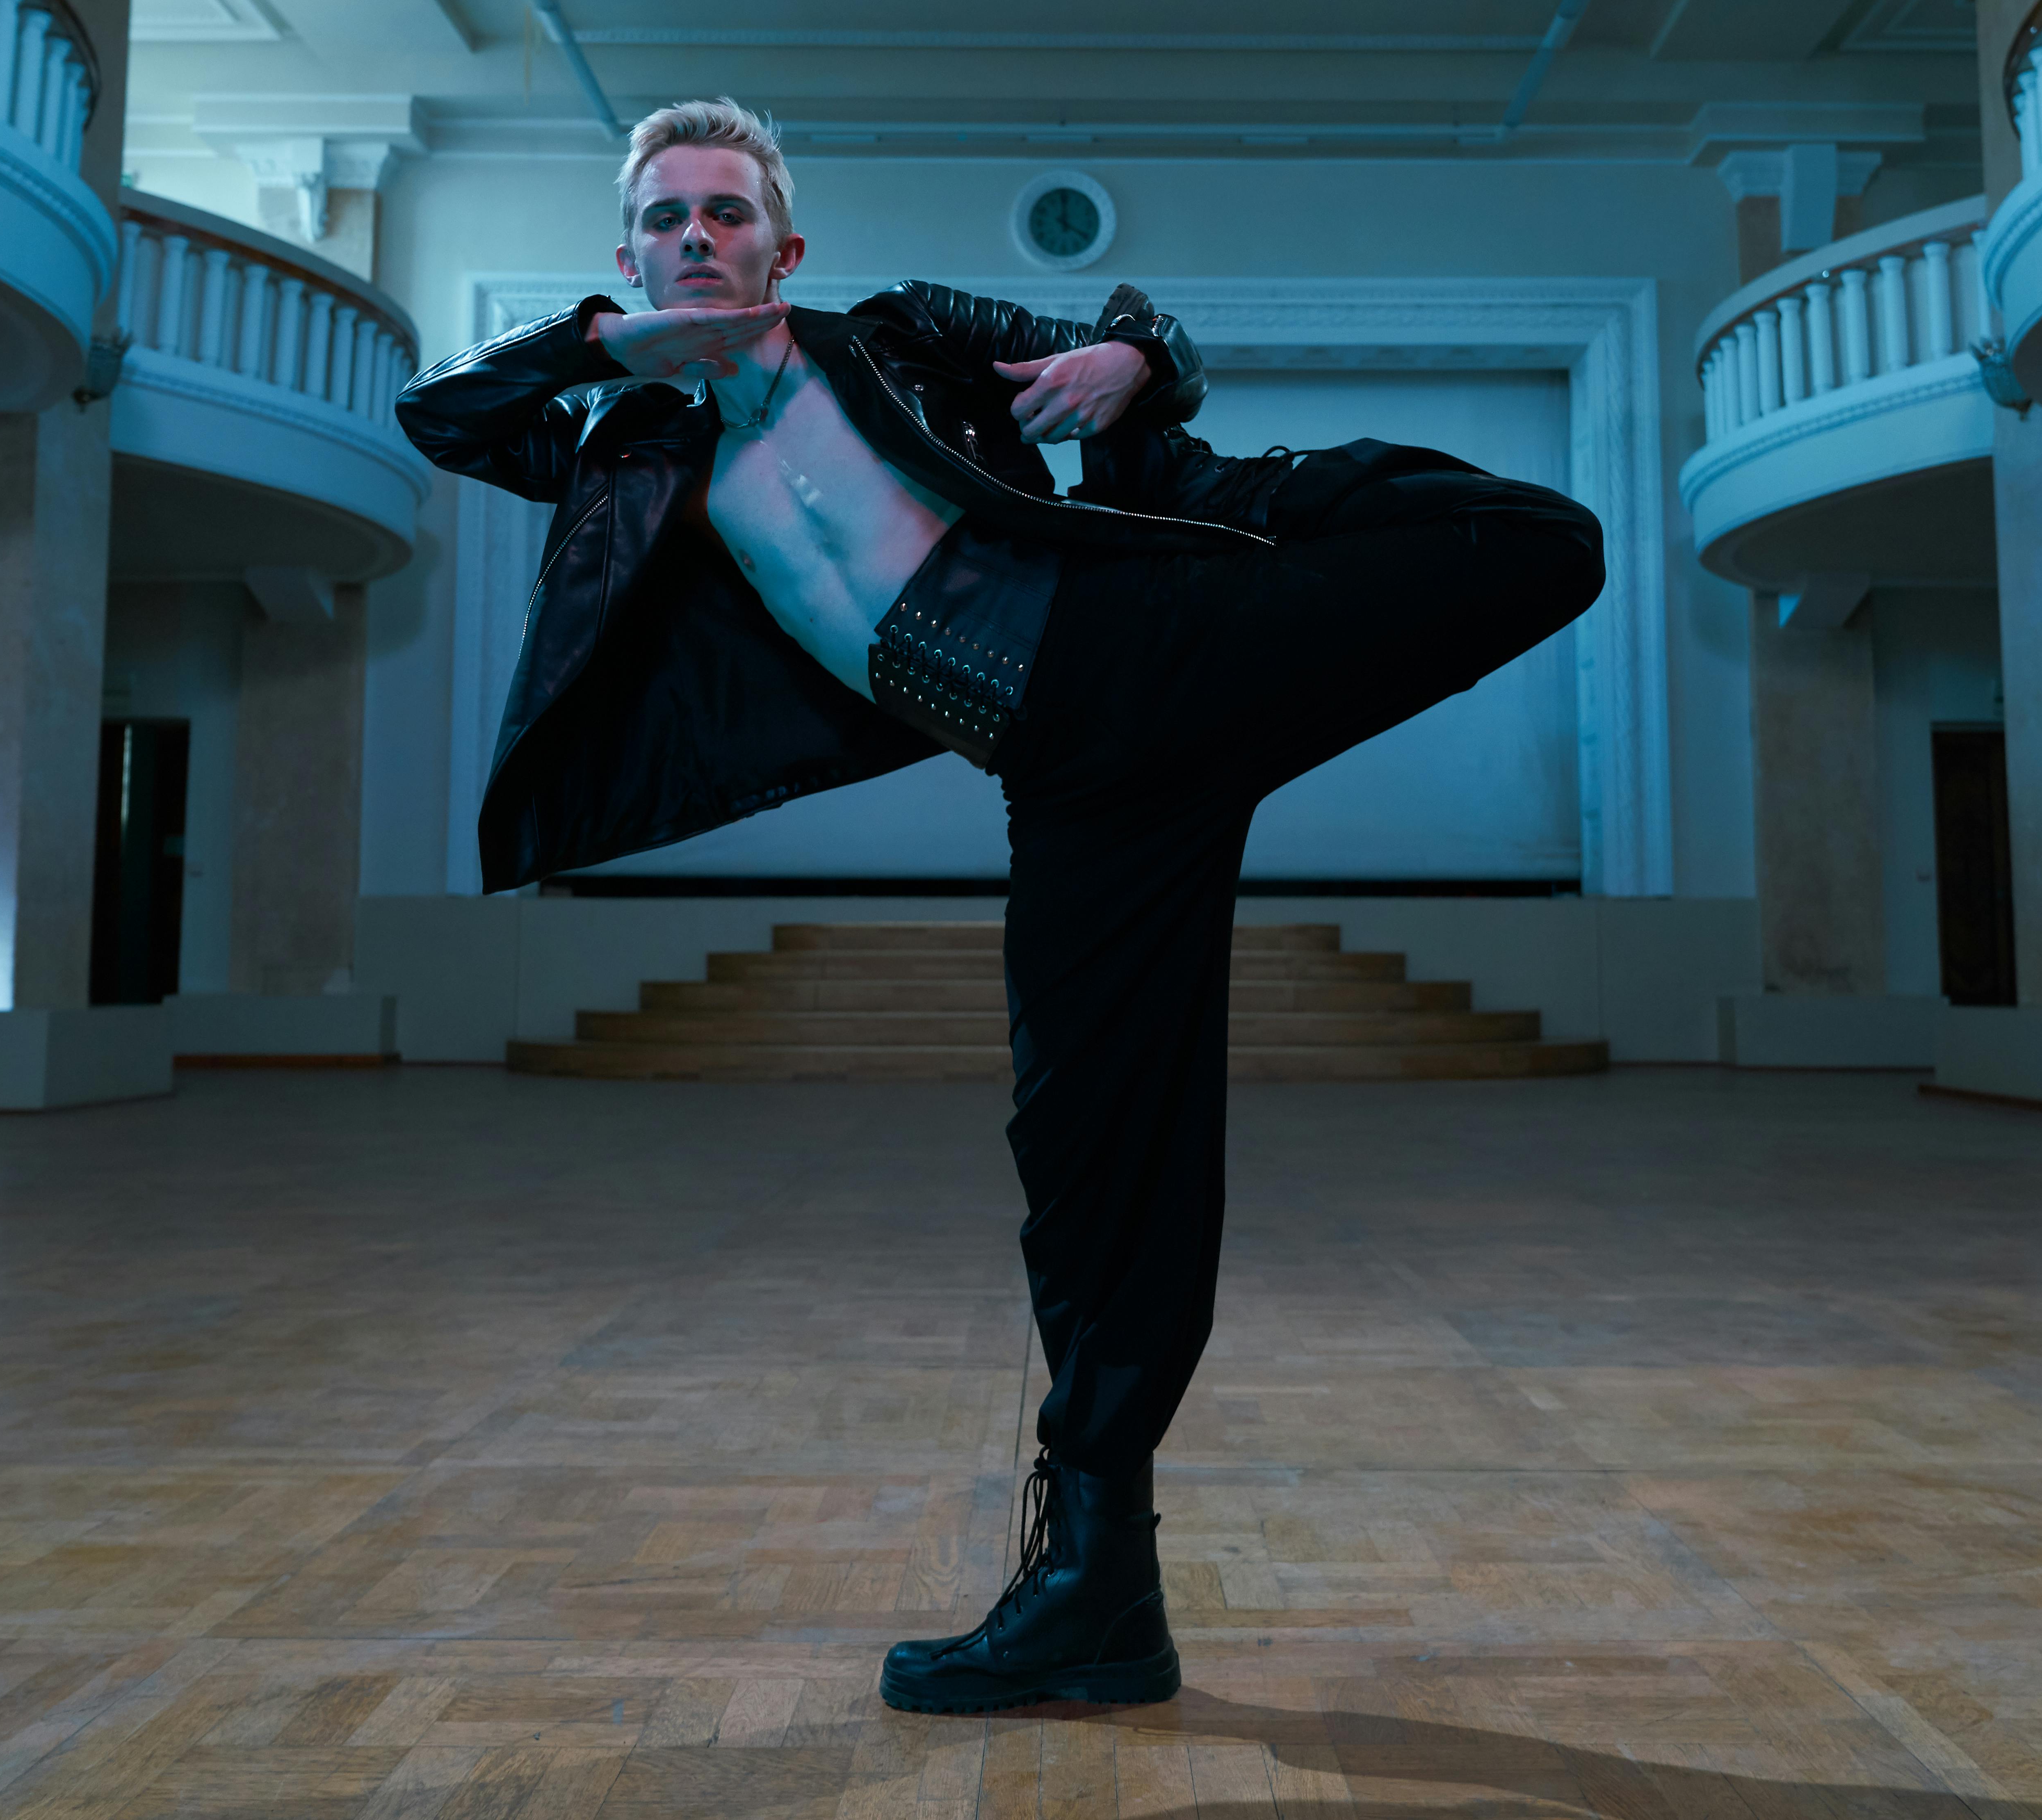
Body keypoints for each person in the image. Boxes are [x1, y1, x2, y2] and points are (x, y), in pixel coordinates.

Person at [398, 98, 1604, 1713]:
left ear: (782, 246)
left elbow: (1112, 338)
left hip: (1152, 641)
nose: (698, 237)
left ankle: (1239, 503)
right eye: (666, 220)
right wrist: (601, 348)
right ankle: (1099, 1587)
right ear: (625, 261)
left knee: (1535, 540)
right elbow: (442, 415)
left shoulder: (895, 341)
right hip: (1076, 785)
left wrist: (1141, 371)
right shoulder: (626, 453)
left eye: (726, 215)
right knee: (1088, 1151)